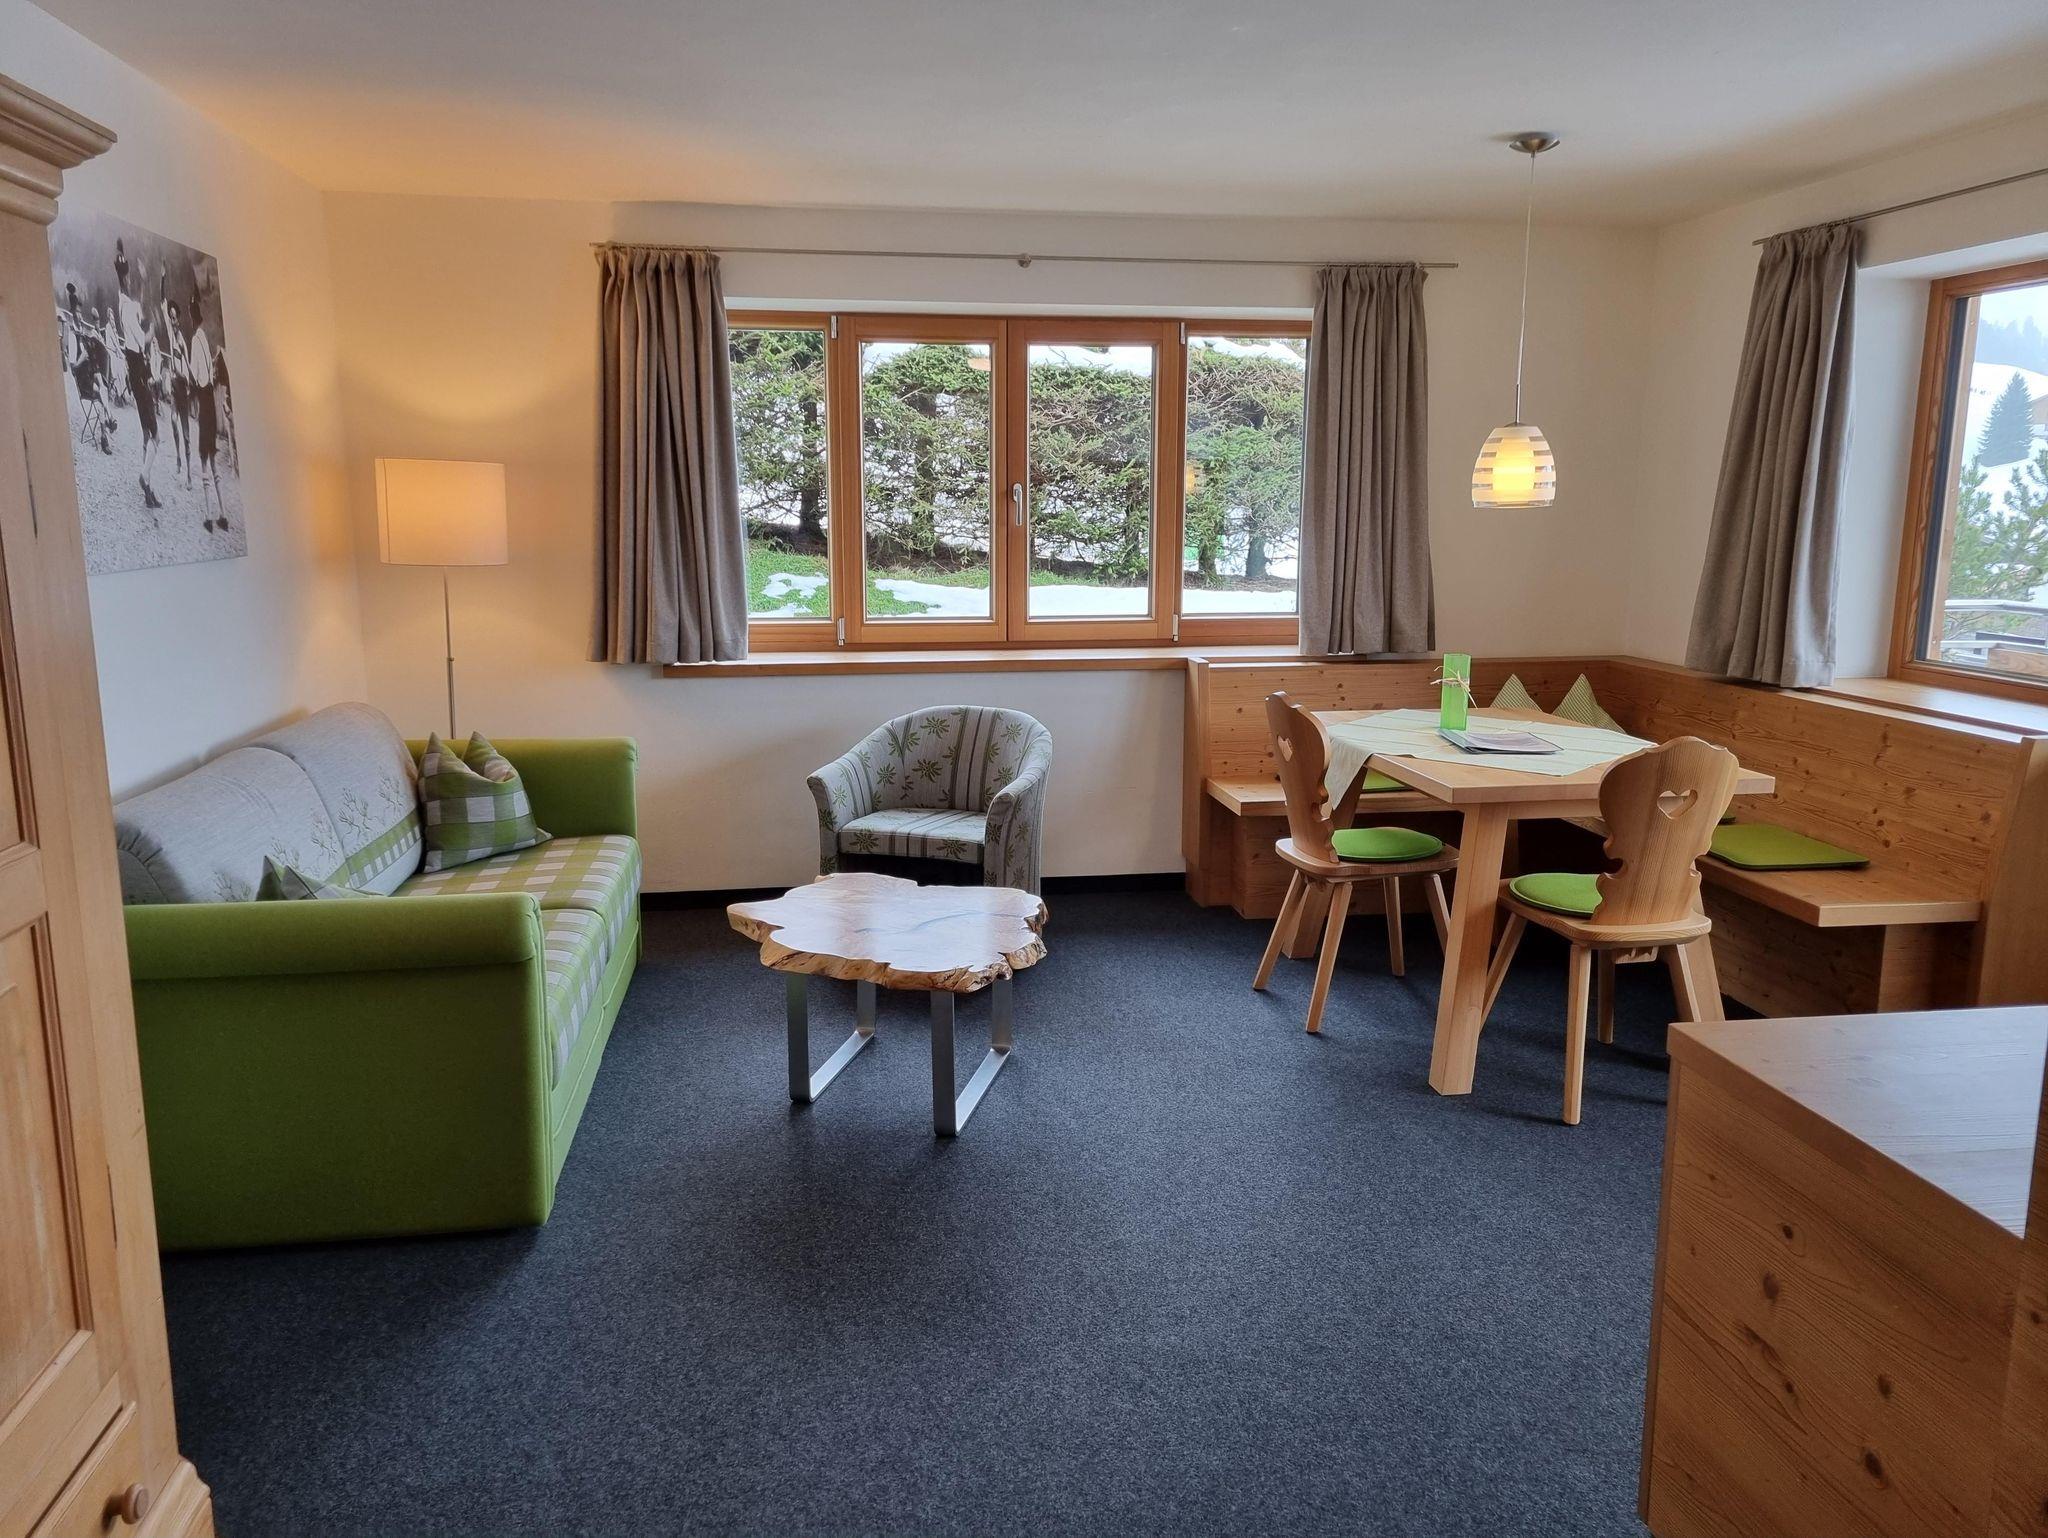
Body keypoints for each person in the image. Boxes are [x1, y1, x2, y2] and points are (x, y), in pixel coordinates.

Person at [112, 238, 163, 512]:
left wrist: (143, 282)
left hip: (135, 372)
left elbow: (136, 306)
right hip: (140, 372)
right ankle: (144, 477)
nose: (130, 280)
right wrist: (153, 330)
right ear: (125, 279)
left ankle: (149, 490)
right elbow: (142, 339)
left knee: (146, 433)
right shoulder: (128, 307)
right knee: (156, 436)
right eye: (130, 277)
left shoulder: (122, 303)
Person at [187, 313, 229, 535]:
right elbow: (210, 374)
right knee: (213, 459)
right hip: (211, 404)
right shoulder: (205, 339)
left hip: (204, 404)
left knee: (204, 458)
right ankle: (223, 514)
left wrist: (183, 356)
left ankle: (208, 516)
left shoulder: (195, 340)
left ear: (192, 319)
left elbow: (194, 375)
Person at [165, 297, 193, 488]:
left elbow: (187, 366)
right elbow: (162, 301)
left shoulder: (181, 341)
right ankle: (178, 457)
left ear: (179, 320)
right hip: (175, 388)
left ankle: (189, 473)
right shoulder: (170, 335)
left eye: (174, 318)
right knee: (173, 422)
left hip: (183, 389)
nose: (172, 321)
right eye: (170, 318)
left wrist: (188, 379)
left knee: (187, 436)